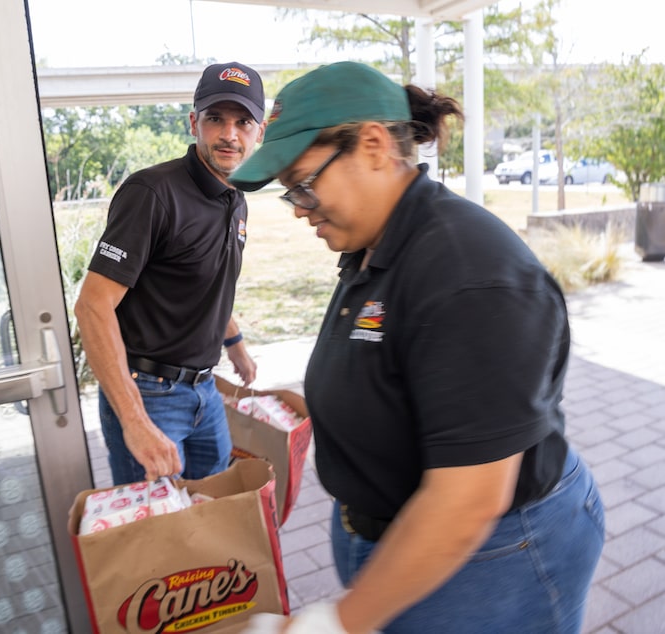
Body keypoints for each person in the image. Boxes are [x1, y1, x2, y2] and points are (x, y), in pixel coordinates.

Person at [232, 61, 604, 634]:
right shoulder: (375, 245)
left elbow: (469, 499)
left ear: (375, 146)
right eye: (290, 194)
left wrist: (332, 625)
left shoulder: (469, 272)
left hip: (492, 557)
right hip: (400, 544)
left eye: (304, 184)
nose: (301, 208)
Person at [74, 61, 266, 485]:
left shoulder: (237, 200)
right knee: (157, 534)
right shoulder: (153, 193)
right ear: (194, 122)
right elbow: (92, 306)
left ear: (260, 133)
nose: (229, 134)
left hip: (205, 391)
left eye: (243, 122)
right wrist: (134, 419)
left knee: (211, 513)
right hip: (149, 394)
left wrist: (235, 346)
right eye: (216, 119)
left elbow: (207, 285)